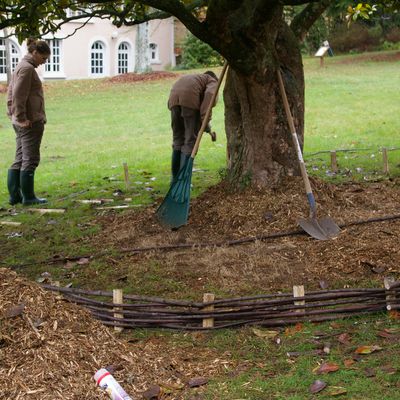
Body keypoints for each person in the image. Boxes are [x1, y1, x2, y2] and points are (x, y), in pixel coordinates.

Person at [6, 38, 51, 205]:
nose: (44, 62)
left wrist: (13, 115)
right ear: (35, 53)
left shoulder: (22, 66)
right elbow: (18, 94)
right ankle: (29, 197)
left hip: (21, 121)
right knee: (30, 159)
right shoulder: (27, 69)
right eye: (43, 58)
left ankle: (15, 196)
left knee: (19, 157)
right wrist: (22, 118)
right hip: (29, 122)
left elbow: (11, 93)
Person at [167, 70, 218, 182]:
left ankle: (174, 179)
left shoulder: (197, 78)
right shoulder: (213, 81)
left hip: (173, 100)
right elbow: (209, 99)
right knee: (190, 142)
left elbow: (202, 118)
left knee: (178, 140)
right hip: (189, 100)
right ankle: (184, 181)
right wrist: (206, 119)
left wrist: (207, 128)